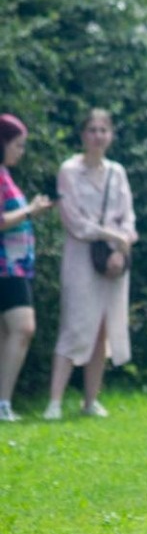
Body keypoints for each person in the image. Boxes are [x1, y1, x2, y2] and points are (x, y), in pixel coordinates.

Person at [45, 109, 137, 420]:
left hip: (113, 258)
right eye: (92, 130)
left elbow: (128, 216)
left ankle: (90, 400)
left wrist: (120, 249)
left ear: (110, 135)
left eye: (103, 130)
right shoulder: (69, 171)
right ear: (83, 135)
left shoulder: (117, 172)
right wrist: (112, 236)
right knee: (75, 323)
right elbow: (74, 221)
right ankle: (54, 401)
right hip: (80, 257)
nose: (98, 136)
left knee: (102, 327)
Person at [0, 114, 52, 420]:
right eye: (18, 145)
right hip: (6, 267)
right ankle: (3, 403)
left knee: (8, 333)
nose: (22, 151)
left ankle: (3, 402)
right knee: (24, 327)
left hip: (15, 266)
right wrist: (30, 210)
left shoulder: (5, 174)